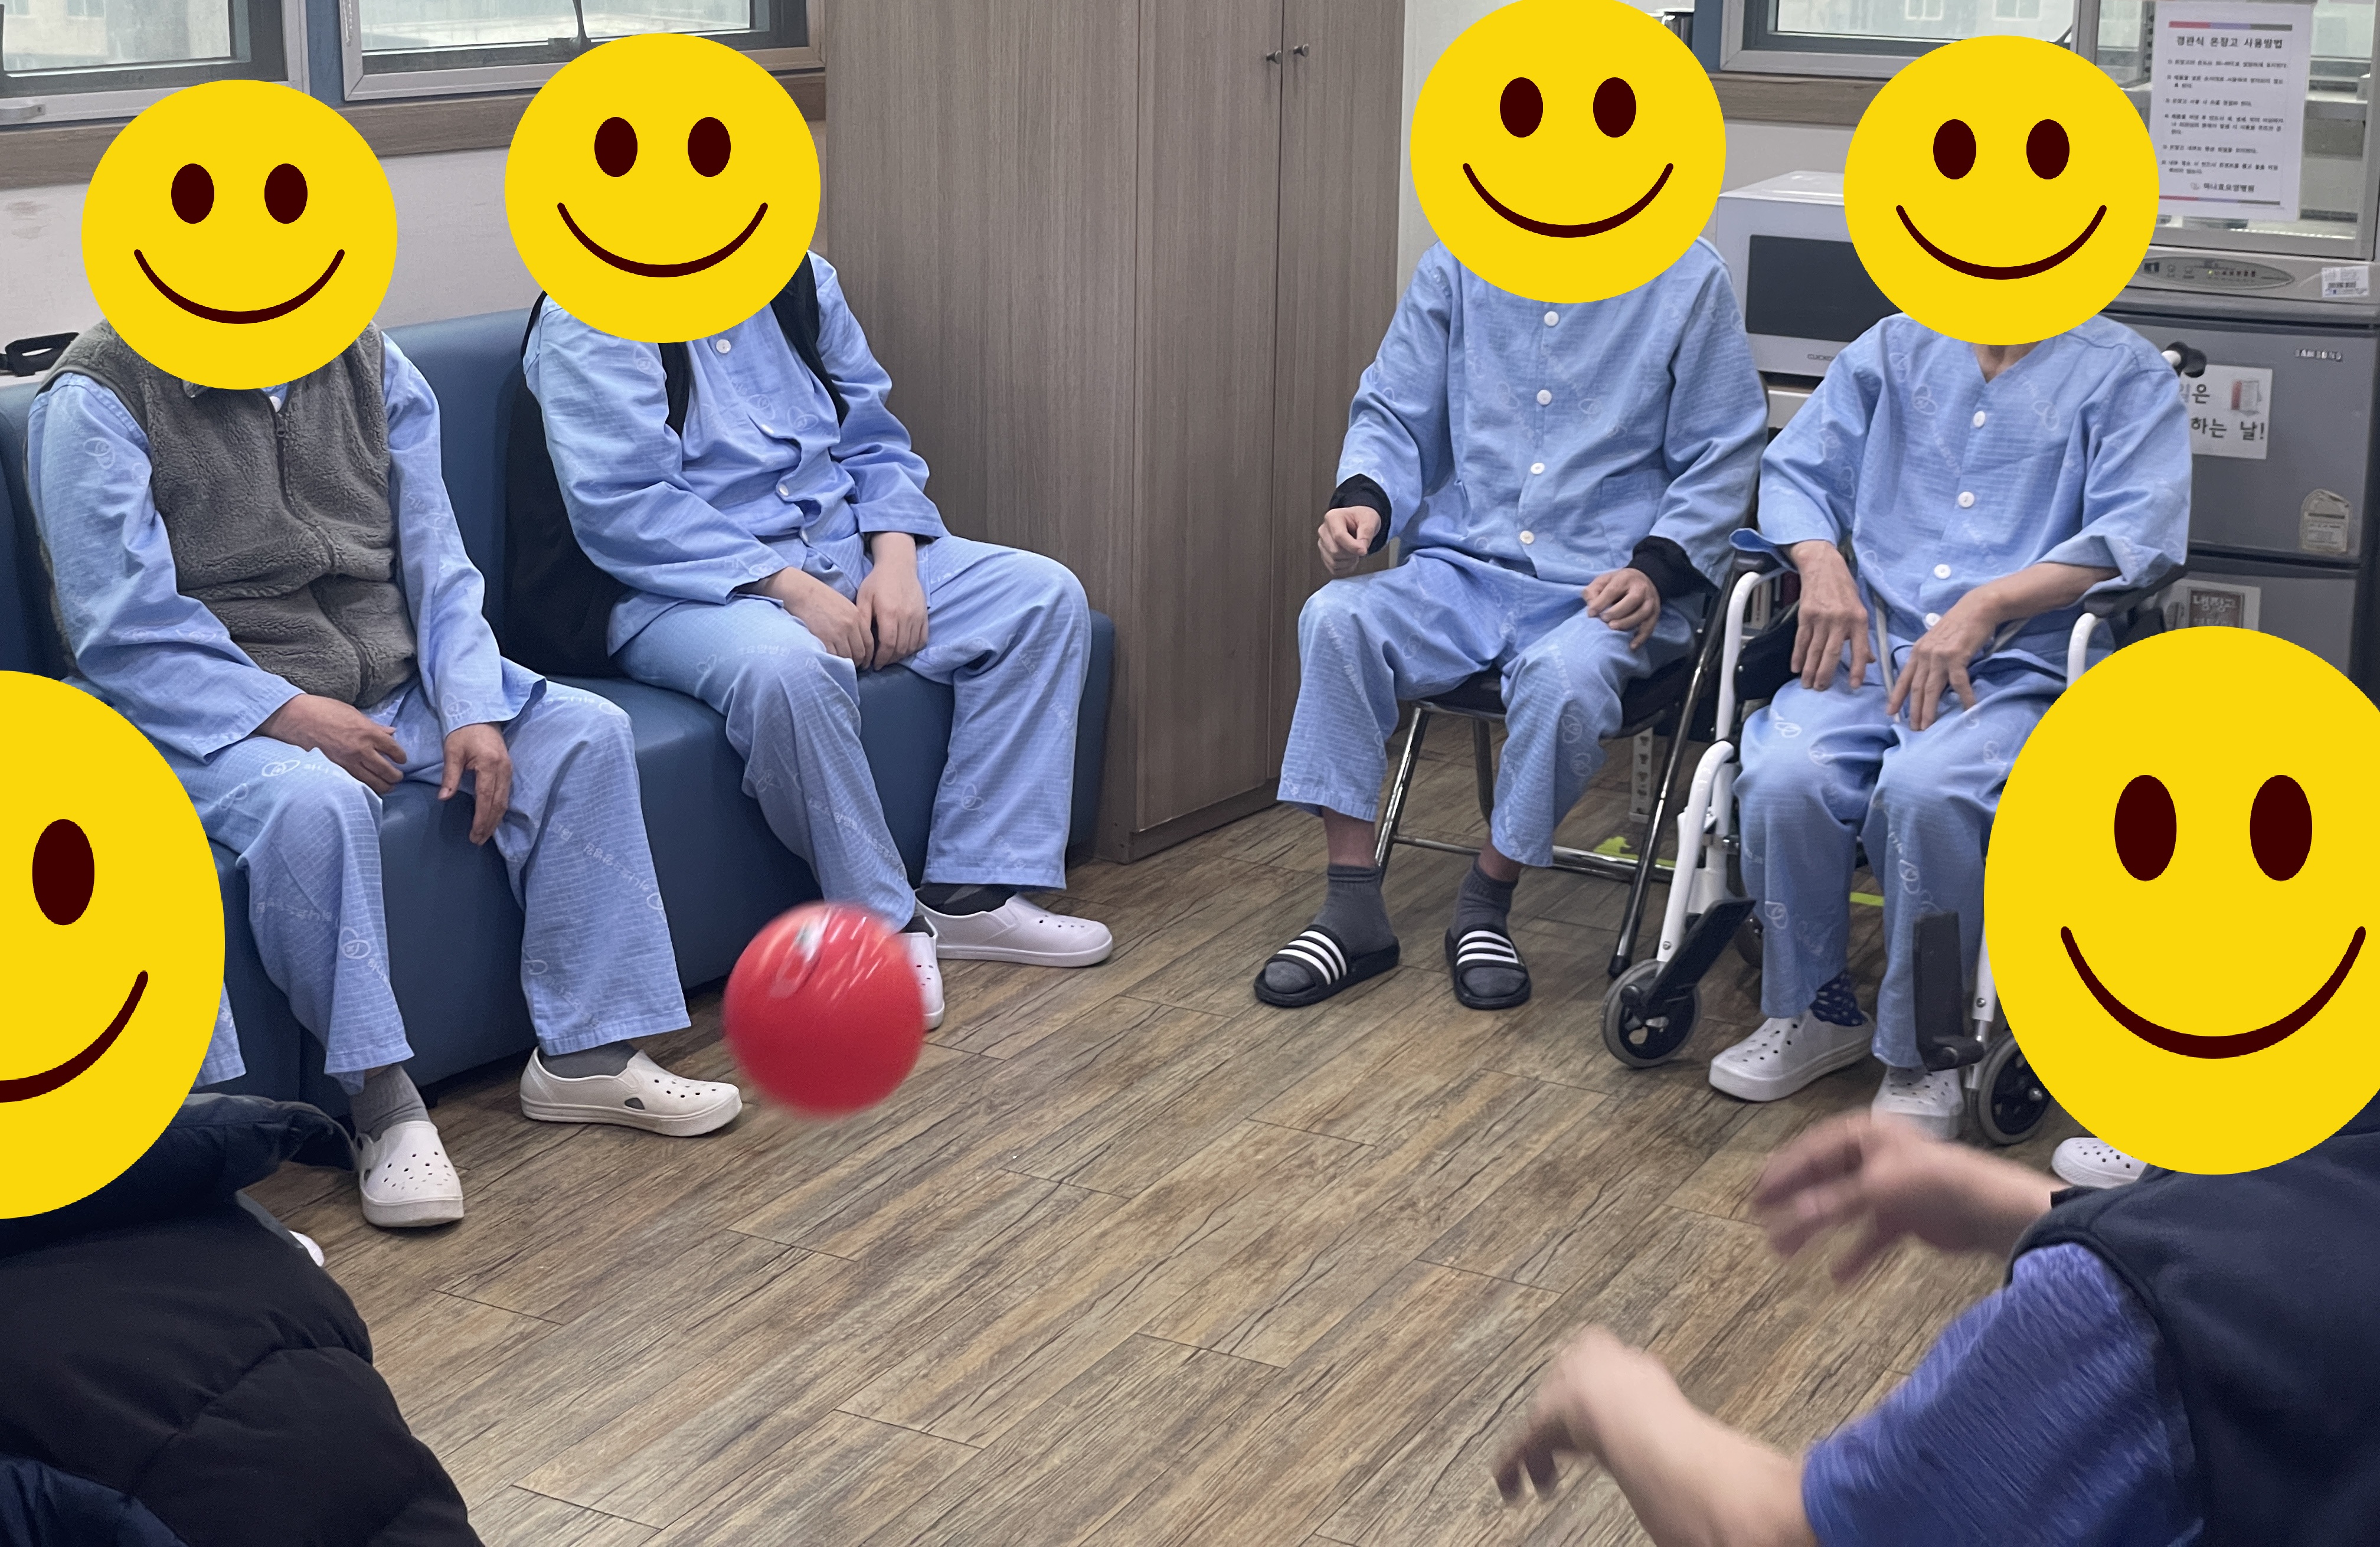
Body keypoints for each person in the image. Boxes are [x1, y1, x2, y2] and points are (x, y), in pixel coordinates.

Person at [28, 321, 741, 1231]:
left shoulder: (367, 358)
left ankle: (587, 1054)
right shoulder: (97, 393)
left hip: (388, 676)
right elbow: (122, 625)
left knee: (582, 733)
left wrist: (470, 704)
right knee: (318, 802)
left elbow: (437, 561)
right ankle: (382, 1103)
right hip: (196, 702)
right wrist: (285, 712)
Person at [524, 253, 1110, 1035]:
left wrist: (896, 561)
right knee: (791, 670)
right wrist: (793, 591)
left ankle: (973, 888)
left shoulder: (799, 277)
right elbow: (625, 508)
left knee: (1041, 597)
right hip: (684, 587)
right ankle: (879, 923)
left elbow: (873, 438)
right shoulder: (592, 310)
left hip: (843, 545)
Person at [1709, 315, 2189, 1144]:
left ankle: (1926, 1049)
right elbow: (1799, 471)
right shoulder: (1892, 348)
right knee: (1785, 776)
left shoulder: (2124, 372)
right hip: (1872, 643)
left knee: (1926, 794)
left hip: (2017, 662)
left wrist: (1988, 602)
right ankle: (1815, 1010)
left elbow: (2134, 535)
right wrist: (1821, 563)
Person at [1254, 239, 1766, 1010]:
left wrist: (1658, 568)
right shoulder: (1458, 262)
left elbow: (1724, 447)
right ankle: (1352, 904)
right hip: (1462, 570)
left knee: (1564, 678)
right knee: (1335, 618)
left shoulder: (1688, 277)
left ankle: (1486, 902)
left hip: (1610, 585)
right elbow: (1396, 407)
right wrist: (1364, 500)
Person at [1496, 1101, 2380, 1543]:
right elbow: (2298, 1254)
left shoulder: (2127, 1319)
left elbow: (1785, 1535)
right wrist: (2020, 1204)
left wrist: (1611, 1402)